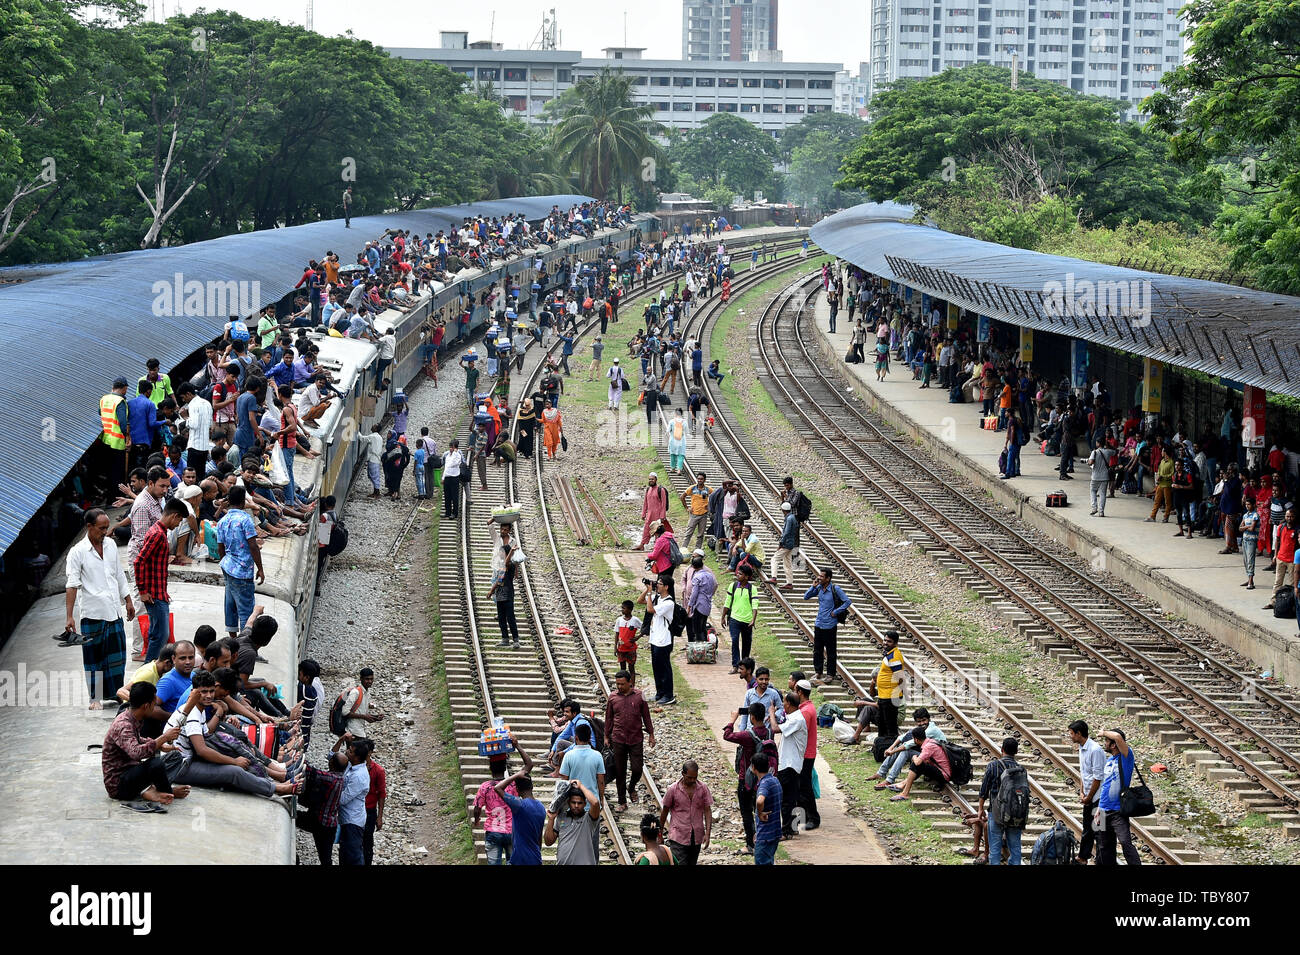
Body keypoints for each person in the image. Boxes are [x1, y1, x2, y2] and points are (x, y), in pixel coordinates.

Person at [64, 509, 135, 709]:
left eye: (106, 527)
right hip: (93, 613)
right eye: (101, 528)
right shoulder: (77, 552)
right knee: (94, 658)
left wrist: (128, 600)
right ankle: (94, 698)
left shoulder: (111, 545)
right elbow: (72, 584)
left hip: (114, 610)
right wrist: (69, 616)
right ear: (89, 527)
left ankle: (115, 693)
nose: (105, 531)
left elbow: (119, 575)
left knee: (117, 656)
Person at [101, 681, 189, 808]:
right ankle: (166, 791)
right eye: (154, 704)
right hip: (119, 784)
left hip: (133, 772)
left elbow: (137, 739)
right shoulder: (123, 724)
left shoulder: (134, 717)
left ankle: (153, 790)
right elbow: (136, 753)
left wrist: (159, 744)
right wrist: (164, 738)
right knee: (155, 764)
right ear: (146, 706)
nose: (155, 707)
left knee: (175, 756)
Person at [133, 498, 189, 662]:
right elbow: (139, 561)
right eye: (179, 520)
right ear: (174, 516)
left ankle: (150, 669)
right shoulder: (158, 534)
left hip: (158, 592)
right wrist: (143, 591)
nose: (178, 524)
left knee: (157, 633)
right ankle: (148, 671)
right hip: (154, 594)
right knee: (160, 635)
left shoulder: (157, 531)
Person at [724, 701, 775, 852]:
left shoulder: (747, 735)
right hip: (764, 779)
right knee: (761, 810)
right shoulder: (769, 732)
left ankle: (751, 844)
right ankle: (763, 839)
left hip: (746, 780)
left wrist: (732, 719)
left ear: (751, 717)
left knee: (747, 813)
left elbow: (727, 735)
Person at [474, 738, 533, 865]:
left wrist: (477, 819)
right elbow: (529, 765)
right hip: (512, 831)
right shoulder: (513, 784)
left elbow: (477, 808)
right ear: (505, 767)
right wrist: (517, 745)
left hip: (493, 831)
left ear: (490, 768)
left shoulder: (485, 786)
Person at [216, 486, 263, 639]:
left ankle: (233, 640)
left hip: (228, 566)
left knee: (230, 604)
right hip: (242, 570)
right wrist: (260, 568)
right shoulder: (245, 520)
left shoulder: (223, 521)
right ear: (243, 502)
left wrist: (224, 561)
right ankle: (245, 646)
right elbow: (253, 546)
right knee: (246, 610)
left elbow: (220, 547)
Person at [605, 669, 655, 811]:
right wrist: (606, 736)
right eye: (617, 684)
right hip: (618, 739)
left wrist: (651, 734)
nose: (619, 687)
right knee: (620, 771)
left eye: (622, 684)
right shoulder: (613, 697)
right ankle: (622, 801)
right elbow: (608, 718)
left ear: (629, 683)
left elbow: (646, 716)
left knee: (637, 768)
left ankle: (631, 786)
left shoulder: (640, 696)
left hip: (636, 738)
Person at [1095, 728, 1142, 865]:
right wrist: (1099, 808)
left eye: (1106, 741)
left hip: (1118, 811)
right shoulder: (1110, 761)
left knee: (1125, 842)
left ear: (1114, 744)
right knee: (1104, 847)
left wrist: (1103, 732)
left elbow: (1117, 736)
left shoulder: (1126, 758)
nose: (1105, 743)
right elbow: (1105, 786)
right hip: (1103, 811)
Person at [978, 737, 1027, 865]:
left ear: (1002, 749)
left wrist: (980, 808)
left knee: (994, 847)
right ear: (1016, 751)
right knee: (1015, 847)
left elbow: (984, 789)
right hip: (1015, 813)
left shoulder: (993, 766)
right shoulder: (1021, 769)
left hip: (996, 812)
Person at [659, 759, 713, 865]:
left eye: (695, 778)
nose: (693, 780)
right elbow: (664, 811)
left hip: (696, 836)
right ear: (683, 774)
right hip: (678, 836)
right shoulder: (673, 790)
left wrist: (707, 833)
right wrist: (660, 833)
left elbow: (707, 811)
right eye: (690, 777)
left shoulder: (703, 788)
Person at [803, 569, 851, 685]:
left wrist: (836, 612)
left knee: (831, 651)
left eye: (822, 576)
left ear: (828, 579)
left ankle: (830, 674)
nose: (819, 577)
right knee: (817, 650)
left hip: (830, 625)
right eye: (819, 575)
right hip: (819, 623)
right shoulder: (819, 588)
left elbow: (847, 601)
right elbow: (806, 597)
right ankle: (818, 671)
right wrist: (813, 586)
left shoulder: (835, 589)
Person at [495, 764, 547, 866]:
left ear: (517, 790)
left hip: (520, 858)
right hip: (536, 857)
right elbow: (539, 840)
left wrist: (515, 775)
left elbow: (498, 788)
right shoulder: (541, 808)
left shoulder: (519, 805)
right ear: (532, 786)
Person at [1069, 719, 1105, 864]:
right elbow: (1084, 773)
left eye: (1072, 734)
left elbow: (1098, 777)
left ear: (1079, 733)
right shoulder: (1082, 748)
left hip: (1099, 797)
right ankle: (1083, 857)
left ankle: (1101, 860)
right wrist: (1082, 792)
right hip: (1089, 796)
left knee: (1099, 831)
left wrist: (1089, 796)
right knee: (1087, 828)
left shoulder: (1095, 750)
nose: (1070, 736)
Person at [771, 693, 807, 836]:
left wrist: (771, 713)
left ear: (789, 704)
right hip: (789, 763)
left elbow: (775, 728)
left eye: (784, 703)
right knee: (790, 798)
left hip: (789, 764)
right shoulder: (793, 718)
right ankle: (792, 828)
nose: (783, 706)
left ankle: (786, 830)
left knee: (786, 799)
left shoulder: (796, 719)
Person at [888, 725, 952, 802]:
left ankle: (905, 793)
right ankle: (903, 784)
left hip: (944, 775)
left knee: (917, 763)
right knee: (921, 763)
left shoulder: (928, 746)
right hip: (943, 772)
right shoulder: (931, 741)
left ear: (916, 739)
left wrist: (914, 757)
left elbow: (917, 762)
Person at [544, 779, 602, 865]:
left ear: (585, 804)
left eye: (580, 803)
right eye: (573, 802)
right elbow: (548, 842)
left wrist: (581, 786)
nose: (576, 806)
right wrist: (551, 819)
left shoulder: (589, 819)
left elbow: (595, 803)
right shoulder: (561, 817)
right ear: (568, 802)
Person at [338, 737, 372, 865]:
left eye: (351, 751)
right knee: (346, 854)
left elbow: (343, 799)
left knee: (353, 856)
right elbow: (332, 756)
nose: (347, 752)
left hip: (352, 821)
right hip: (348, 819)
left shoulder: (359, 776)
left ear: (357, 757)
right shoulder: (352, 767)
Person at [488, 524, 522, 648]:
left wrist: (491, 591)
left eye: (503, 553)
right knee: (503, 618)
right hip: (503, 596)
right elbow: (498, 580)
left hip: (506, 596)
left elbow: (499, 581)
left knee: (509, 617)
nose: (501, 555)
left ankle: (515, 640)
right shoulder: (503, 567)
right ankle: (506, 639)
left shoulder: (509, 566)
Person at [644, 574, 676, 705]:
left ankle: (669, 695)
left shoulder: (669, 602)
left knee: (664, 668)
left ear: (667, 587)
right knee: (656, 667)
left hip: (664, 640)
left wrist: (651, 593)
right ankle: (660, 693)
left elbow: (650, 609)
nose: (657, 585)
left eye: (660, 583)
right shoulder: (658, 598)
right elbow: (640, 601)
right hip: (655, 638)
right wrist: (647, 591)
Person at [721, 563, 758, 672]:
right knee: (734, 640)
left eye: (740, 574)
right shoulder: (732, 586)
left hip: (747, 620)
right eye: (738, 573)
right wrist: (723, 616)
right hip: (734, 619)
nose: (738, 575)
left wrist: (753, 619)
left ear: (747, 577)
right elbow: (727, 602)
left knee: (747, 643)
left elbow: (755, 605)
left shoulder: (753, 589)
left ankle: (744, 666)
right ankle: (735, 665)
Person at [872, 629, 906, 741]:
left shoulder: (894, 657)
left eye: (889, 641)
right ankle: (881, 746)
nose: (885, 643)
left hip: (890, 697)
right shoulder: (890, 654)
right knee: (881, 723)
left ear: (895, 643)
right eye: (885, 640)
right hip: (884, 696)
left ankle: (889, 748)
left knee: (890, 725)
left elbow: (900, 678)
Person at [752, 752, 782, 864]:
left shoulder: (764, 784)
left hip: (766, 835)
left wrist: (759, 813)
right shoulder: (775, 780)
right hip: (774, 832)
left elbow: (760, 800)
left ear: (753, 767)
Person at [363, 744, 387, 865]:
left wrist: (379, 817)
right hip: (357, 810)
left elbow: (382, 794)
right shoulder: (354, 766)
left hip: (369, 810)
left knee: (367, 842)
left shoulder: (378, 771)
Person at [680, 472, 712, 552]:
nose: (699, 480)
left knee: (700, 534)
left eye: (701, 479)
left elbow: (715, 497)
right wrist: (687, 508)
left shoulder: (708, 489)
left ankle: (697, 550)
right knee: (689, 532)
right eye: (698, 479)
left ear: (704, 480)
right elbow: (682, 497)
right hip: (693, 514)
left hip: (703, 515)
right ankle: (683, 549)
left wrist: (709, 506)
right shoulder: (692, 488)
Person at [637, 473, 670, 550]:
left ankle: (656, 547)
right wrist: (643, 513)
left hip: (658, 515)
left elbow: (663, 504)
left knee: (657, 531)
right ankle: (642, 545)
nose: (651, 480)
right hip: (649, 514)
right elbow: (645, 502)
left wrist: (662, 516)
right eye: (649, 479)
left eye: (652, 479)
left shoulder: (660, 490)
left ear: (656, 480)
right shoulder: (648, 489)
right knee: (646, 529)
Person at [613, 600, 640, 680]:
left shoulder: (635, 620)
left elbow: (645, 628)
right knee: (622, 669)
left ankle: (631, 686)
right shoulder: (619, 620)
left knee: (631, 668)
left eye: (623, 608)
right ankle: (623, 685)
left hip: (631, 648)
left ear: (630, 610)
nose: (622, 610)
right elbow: (617, 633)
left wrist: (637, 637)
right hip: (621, 648)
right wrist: (615, 647)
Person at [1087, 442, 1113, 516]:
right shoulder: (1108, 451)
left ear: (1098, 443)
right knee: (1103, 494)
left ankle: (1094, 508)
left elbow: (1091, 462)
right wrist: (1109, 445)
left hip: (1095, 476)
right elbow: (1116, 451)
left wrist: (1088, 462)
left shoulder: (1094, 452)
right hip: (1105, 476)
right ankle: (1101, 512)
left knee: (1093, 491)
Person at [442, 439, 464, 518]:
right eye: (450, 447)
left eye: (452, 447)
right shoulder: (448, 456)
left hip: (454, 477)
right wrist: (443, 477)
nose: (450, 449)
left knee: (454, 496)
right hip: (447, 477)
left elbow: (453, 464)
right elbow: (446, 467)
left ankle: (455, 513)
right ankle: (447, 511)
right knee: (447, 495)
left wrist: (455, 452)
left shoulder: (457, 455)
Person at [667, 408, 688, 473]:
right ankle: (679, 470)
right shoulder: (684, 422)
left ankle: (673, 468)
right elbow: (687, 432)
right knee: (681, 455)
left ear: (675, 413)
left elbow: (667, 430)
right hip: (681, 441)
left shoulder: (671, 421)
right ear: (681, 414)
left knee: (672, 455)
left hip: (673, 440)